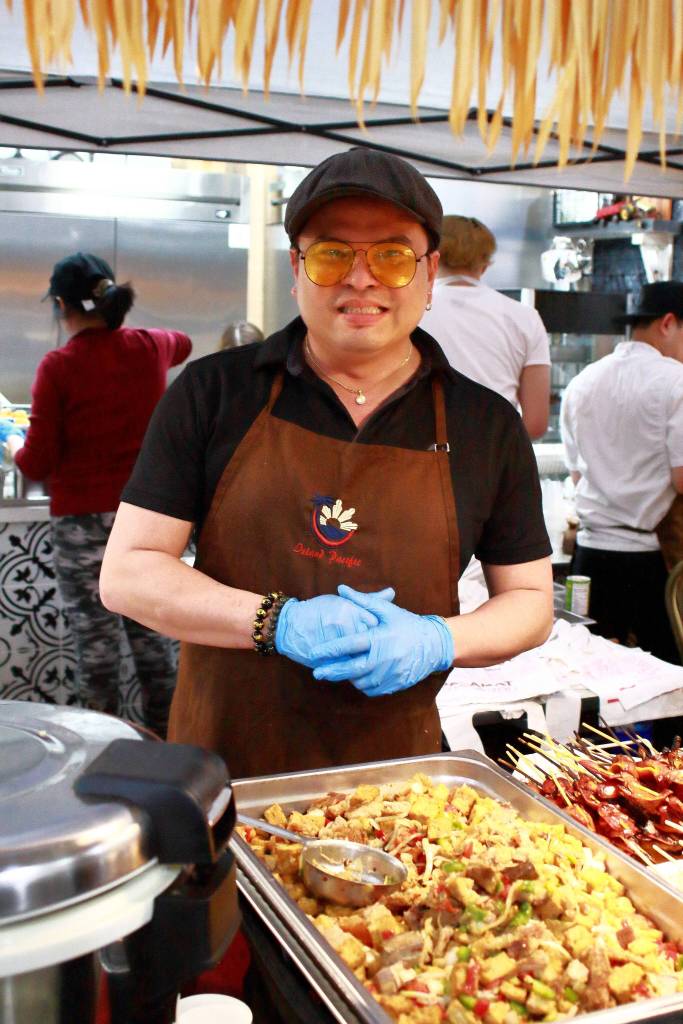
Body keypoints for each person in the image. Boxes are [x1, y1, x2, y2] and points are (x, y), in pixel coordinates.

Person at [100, 147, 553, 779]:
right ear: (297, 268)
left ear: (429, 273)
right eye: (332, 253)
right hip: (223, 772)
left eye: (392, 256)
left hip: (402, 790)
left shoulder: (487, 425)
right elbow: (128, 572)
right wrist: (276, 621)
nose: (361, 279)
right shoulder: (214, 393)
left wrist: (438, 639)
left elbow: (530, 600)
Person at [3, 252, 192, 735]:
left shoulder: (58, 367)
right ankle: (170, 746)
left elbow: (37, 462)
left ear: (61, 305)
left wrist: (13, 442)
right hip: (146, 518)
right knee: (154, 640)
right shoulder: (151, 346)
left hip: (82, 524)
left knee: (97, 646)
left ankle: (103, 746)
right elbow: (185, 343)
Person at [560, 281, 683, 664]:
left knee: (586, 671)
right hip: (644, 564)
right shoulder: (676, 381)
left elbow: (577, 476)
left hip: (588, 558)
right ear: (668, 323)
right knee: (660, 679)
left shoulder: (582, 381)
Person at [421, 215, 551, 439]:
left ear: (431, 258)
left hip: (421, 448)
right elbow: (536, 423)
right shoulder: (525, 317)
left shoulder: (411, 312)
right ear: (485, 265)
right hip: (495, 448)